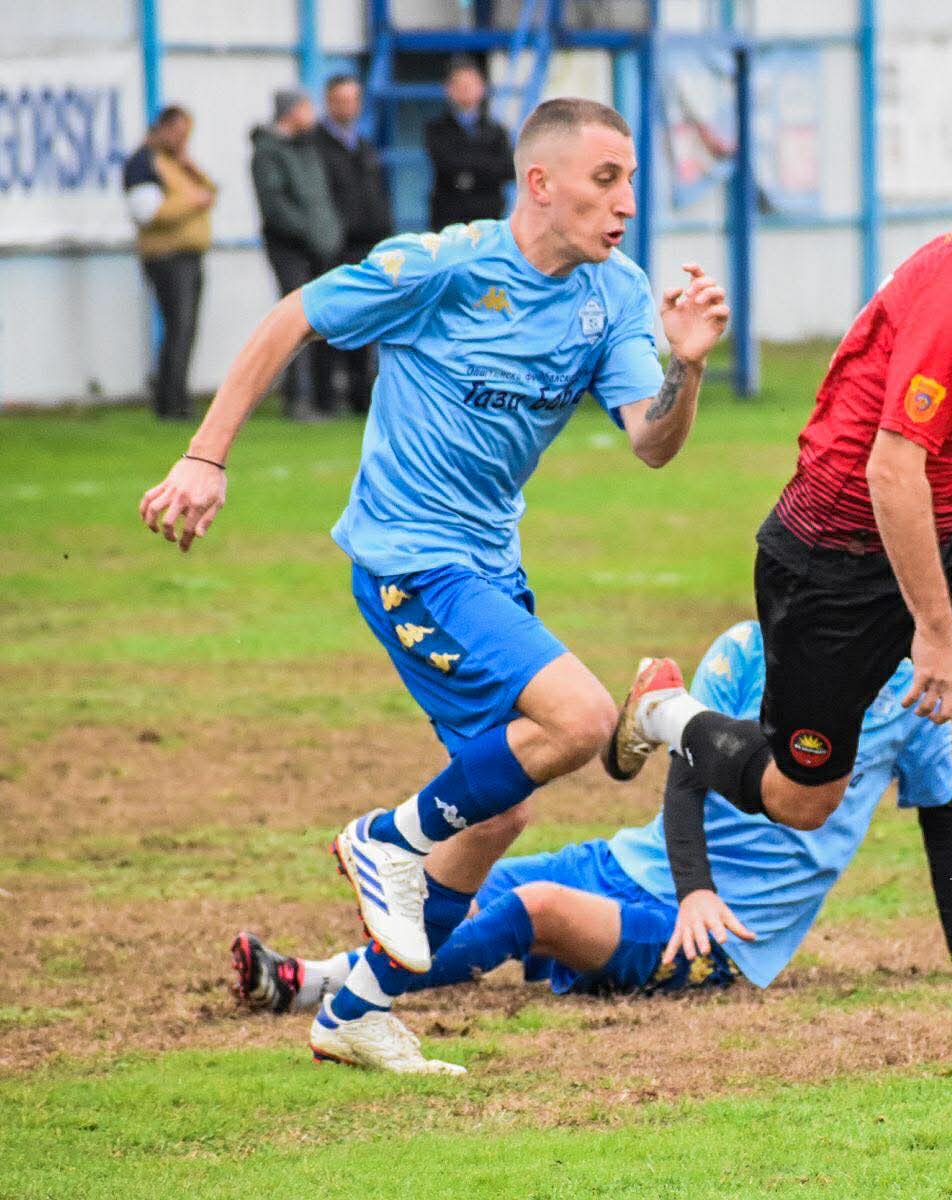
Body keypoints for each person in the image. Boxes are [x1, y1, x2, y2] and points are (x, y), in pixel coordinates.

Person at [137, 97, 730, 1073]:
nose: (628, 200)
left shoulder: (615, 295)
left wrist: (688, 371)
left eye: (631, 179)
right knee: (583, 719)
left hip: (489, 566)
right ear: (540, 184)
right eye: (606, 179)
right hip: (410, 558)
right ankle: (386, 839)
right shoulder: (445, 266)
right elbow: (293, 317)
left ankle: (355, 1010)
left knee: (500, 811)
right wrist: (207, 456)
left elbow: (652, 442)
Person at [603, 133, 952, 1043]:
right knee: (802, 798)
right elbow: (891, 470)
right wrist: (934, 635)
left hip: (933, 530)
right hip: (832, 561)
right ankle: (665, 713)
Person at [231, 621, 952, 1074]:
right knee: (455, 885)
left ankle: (316, 989)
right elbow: (687, 770)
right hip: (637, 864)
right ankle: (325, 980)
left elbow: (942, 815)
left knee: (531, 909)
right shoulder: (746, 649)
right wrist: (691, 882)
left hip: (720, 933)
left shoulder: (915, 692)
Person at [250, 89, 343, 420]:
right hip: (290, 249)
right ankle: (296, 397)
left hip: (320, 248)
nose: (313, 115)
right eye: (307, 108)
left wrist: (329, 235)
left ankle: (323, 397)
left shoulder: (308, 147)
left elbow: (322, 200)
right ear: (290, 113)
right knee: (294, 322)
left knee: (321, 321)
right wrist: (311, 234)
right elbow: (276, 207)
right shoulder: (268, 152)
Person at [123, 106, 216, 422]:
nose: (182, 141)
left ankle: (176, 397)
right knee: (178, 326)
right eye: (178, 134)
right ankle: (170, 401)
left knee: (186, 328)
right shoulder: (143, 163)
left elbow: (210, 192)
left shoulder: (177, 162)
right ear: (161, 129)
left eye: (187, 135)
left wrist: (192, 170)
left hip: (189, 255)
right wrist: (193, 200)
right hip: (165, 257)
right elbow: (148, 213)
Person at [313, 74, 394, 415]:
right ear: (329, 102)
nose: (348, 107)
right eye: (341, 100)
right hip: (334, 247)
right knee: (328, 324)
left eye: (353, 100)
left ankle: (361, 397)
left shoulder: (364, 146)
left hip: (368, 245)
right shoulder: (315, 147)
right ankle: (325, 398)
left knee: (365, 322)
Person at [424, 58, 514, 230]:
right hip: (449, 220)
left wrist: (468, 174)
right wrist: (485, 168)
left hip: (488, 218)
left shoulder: (497, 131)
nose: (465, 90)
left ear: (482, 87)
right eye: (459, 85)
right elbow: (446, 164)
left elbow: (508, 169)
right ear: (448, 89)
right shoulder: (436, 129)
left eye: (470, 84)